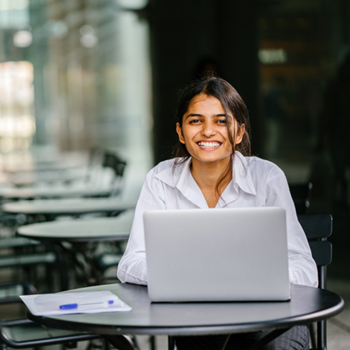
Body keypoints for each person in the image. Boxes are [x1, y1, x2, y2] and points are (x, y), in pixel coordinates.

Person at [117, 77, 317, 350]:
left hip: (271, 318)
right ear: (180, 131)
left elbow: (305, 268)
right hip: (197, 317)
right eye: (196, 121)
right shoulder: (160, 179)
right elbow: (130, 263)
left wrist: (257, 279)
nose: (208, 131)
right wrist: (180, 277)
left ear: (238, 132)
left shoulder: (267, 178)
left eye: (221, 121)